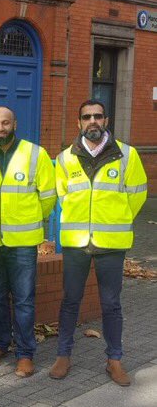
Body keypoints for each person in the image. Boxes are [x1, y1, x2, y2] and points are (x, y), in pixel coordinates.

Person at [50, 99, 147, 386]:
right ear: (79, 122)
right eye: (86, 117)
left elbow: (137, 194)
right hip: (76, 242)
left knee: (111, 303)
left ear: (106, 120)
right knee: (70, 300)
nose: (92, 120)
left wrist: (117, 218)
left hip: (111, 242)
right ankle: (63, 355)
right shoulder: (65, 158)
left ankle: (114, 360)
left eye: (97, 116)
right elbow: (62, 195)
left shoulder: (127, 155)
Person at [0, 106, 56, 377]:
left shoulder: (36, 153)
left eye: (5, 123)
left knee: (24, 300)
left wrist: (30, 217)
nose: (0, 128)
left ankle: (25, 354)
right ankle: (0, 343)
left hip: (23, 242)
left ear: (15, 124)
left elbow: (48, 196)